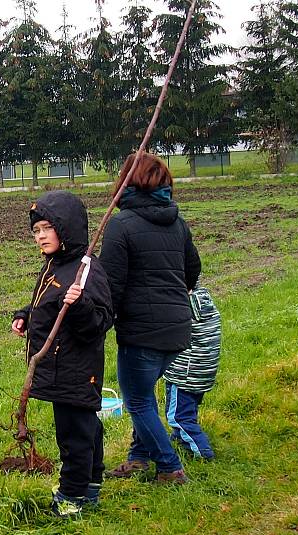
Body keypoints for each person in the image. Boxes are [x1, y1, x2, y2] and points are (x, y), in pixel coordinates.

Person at [100, 152, 201, 484]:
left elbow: (111, 285)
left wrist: (99, 320)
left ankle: (170, 466)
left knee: (138, 401)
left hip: (142, 334)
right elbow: (193, 271)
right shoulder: (177, 222)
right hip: (177, 330)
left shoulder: (121, 224)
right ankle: (139, 457)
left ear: (129, 182)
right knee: (145, 393)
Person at [11, 191, 113, 517]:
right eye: (35, 230)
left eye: (46, 228)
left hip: (75, 369)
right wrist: (27, 314)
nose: (40, 236)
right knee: (85, 428)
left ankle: (71, 497)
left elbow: (99, 322)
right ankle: (91, 487)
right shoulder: (55, 266)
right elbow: (49, 303)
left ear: (65, 228)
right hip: (58, 367)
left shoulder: (86, 270)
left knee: (75, 435)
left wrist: (80, 304)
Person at [163, 285, 221, 460]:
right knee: (188, 408)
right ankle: (180, 438)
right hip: (202, 371)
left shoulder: (184, 304)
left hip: (185, 374)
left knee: (178, 416)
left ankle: (202, 452)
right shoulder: (203, 298)